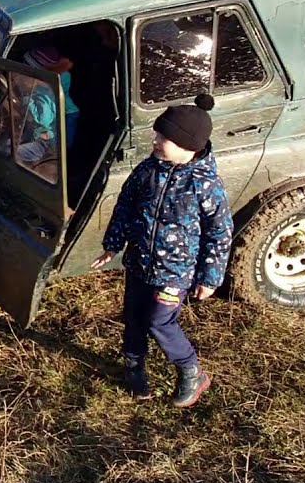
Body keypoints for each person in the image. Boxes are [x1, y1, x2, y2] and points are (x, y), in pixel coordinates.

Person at [92, 93, 232, 408]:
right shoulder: (148, 170)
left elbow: (219, 232)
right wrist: (113, 244)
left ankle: (191, 371)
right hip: (140, 263)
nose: (155, 140)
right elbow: (125, 204)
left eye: (163, 137)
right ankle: (134, 367)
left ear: (188, 147)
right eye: (157, 134)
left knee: (160, 321)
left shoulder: (205, 185)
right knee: (134, 317)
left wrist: (210, 277)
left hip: (175, 273)